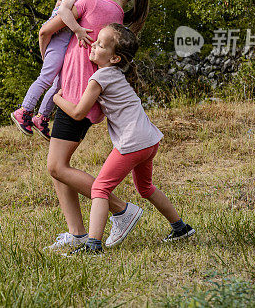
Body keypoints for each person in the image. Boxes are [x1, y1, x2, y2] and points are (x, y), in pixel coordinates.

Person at [54, 23, 195, 255]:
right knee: (146, 187)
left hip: (133, 143)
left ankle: (93, 245)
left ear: (115, 58)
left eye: (100, 45)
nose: (94, 46)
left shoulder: (100, 77)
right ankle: (180, 228)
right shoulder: (116, 74)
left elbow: (79, 113)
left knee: (99, 188)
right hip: (149, 139)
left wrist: (57, 99)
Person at [41, 0, 150, 251]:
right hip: (82, 95)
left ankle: (121, 209)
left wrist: (65, 3)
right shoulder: (116, 18)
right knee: (58, 165)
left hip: (77, 95)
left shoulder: (95, 4)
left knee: (56, 166)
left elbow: (47, 29)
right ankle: (77, 232)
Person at [10, 0, 100, 136]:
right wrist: (77, 30)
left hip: (65, 46)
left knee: (59, 85)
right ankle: (24, 111)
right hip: (58, 41)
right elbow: (64, 13)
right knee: (46, 79)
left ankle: (41, 117)